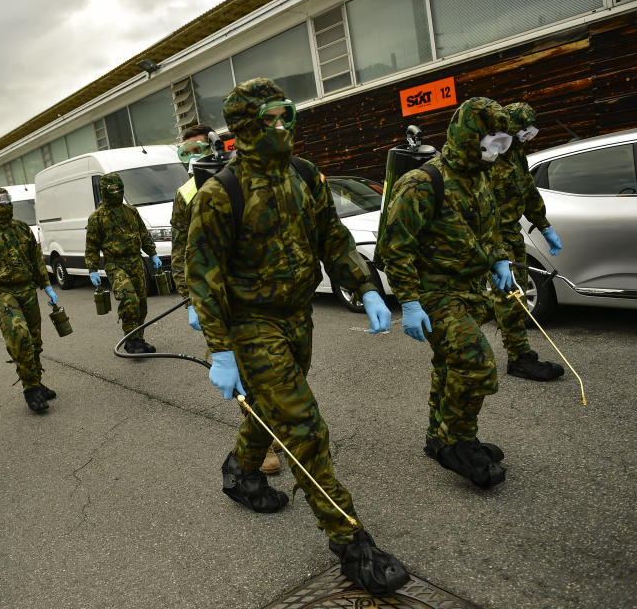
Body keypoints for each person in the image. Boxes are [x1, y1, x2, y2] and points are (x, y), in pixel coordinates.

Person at [185, 78, 407, 596]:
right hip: (251, 324)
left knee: (273, 408)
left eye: (286, 115)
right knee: (304, 426)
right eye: (269, 119)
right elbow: (204, 276)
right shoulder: (222, 194)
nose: (281, 127)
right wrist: (219, 349)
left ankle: (242, 472)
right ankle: (351, 542)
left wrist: (365, 286)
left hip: (297, 316)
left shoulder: (307, 175)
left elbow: (333, 236)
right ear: (244, 126)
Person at [377, 97, 515, 490]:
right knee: (476, 364)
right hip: (434, 293)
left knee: (449, 364)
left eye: (504, 143)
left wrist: (499, 259)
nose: (498, 151)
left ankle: (439, 437)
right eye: (493, 141)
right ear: (470, 136)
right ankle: (459, 443)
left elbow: (489, 227)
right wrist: (409, 300)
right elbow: (394, 247)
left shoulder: (479, 175)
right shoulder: (422, 182)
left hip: (470, 289)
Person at [171, 124, 283, 476]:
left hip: (261, 290)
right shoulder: (187, 193)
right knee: (246, 373)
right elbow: (180, 252)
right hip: (218, 296)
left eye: (198, 149)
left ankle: (274, 428)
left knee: (279, 367)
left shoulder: (245, 177)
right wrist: (190, 299)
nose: (192, 158)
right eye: (185, 152)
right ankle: (261, 443)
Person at [0, 187, 59, 413]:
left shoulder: (21, 228)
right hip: (0, 292)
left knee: (35, 340)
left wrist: (47, 285)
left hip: (27, 289)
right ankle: (30, 389)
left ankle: (36, 381)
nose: (5, 203)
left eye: (7, 199)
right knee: (20, 336)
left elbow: (36, 259)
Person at [487, 102, 564, 381]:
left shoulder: (516, 153)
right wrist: (494, 253)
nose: (527, 136)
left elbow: (528, 191)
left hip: (511, 233)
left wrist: (544, 226)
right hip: (490, 236)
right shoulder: (489, 156)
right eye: (523, 130)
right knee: (510, 295)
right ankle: (519, 358)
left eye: (530, 130)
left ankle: (510, 350)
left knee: (506, 294)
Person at [85, 173, 162, 354]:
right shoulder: (97, 217)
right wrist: (92, 269)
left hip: (136, 260)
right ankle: (130, 341)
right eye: (113, 189)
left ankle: (139, 340)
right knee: (129, 299)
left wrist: (153, 254)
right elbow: (92, 246)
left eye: (119, 188)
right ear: (105, 191)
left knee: (142, 303)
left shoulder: (131, 211)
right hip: (115, 264)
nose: (117, 192)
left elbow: (143, 234)